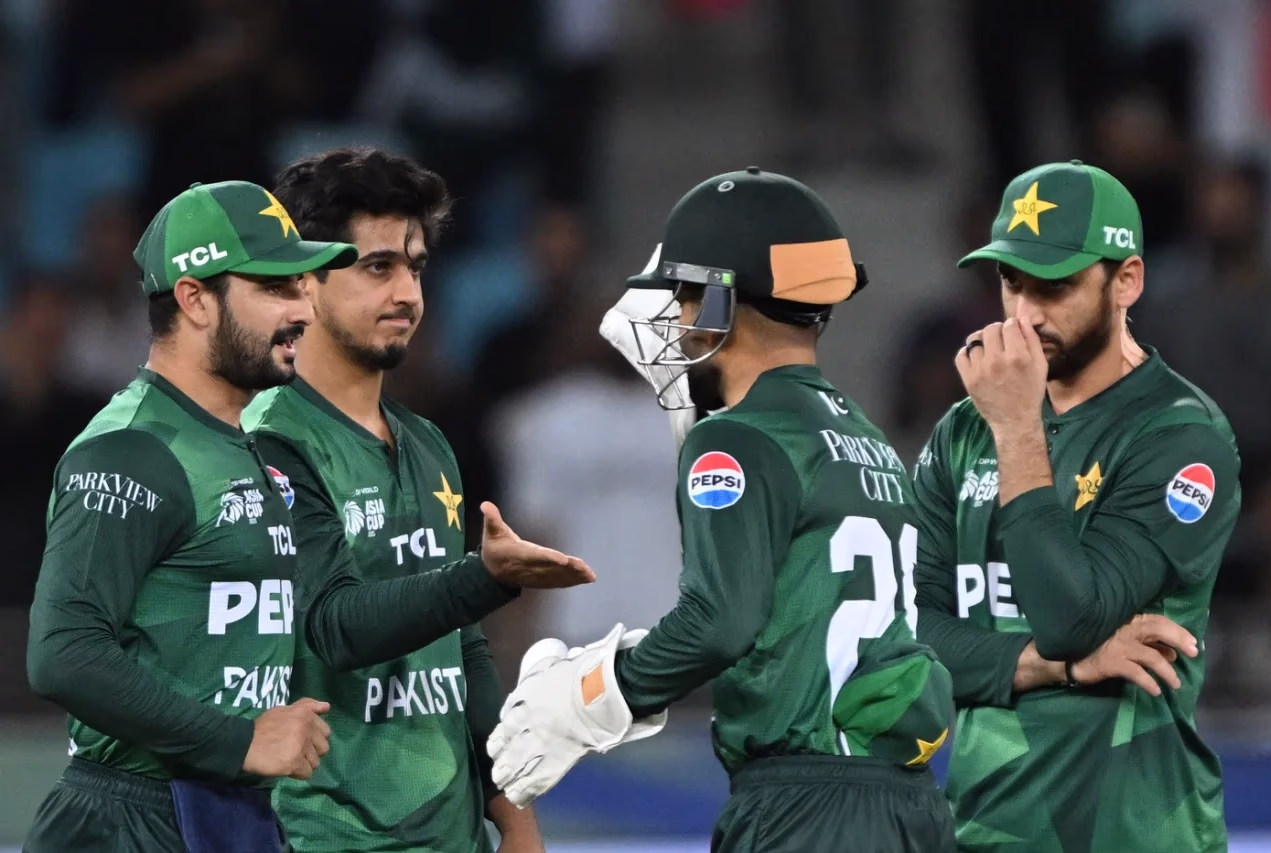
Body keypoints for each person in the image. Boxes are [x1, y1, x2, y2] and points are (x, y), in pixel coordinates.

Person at [486, 168, 958, 852]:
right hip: (906, 803)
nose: (674, 315)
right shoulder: (866, 436)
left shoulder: (737, 436)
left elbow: (718, 622)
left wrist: (588, 696)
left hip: (807, 806)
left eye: (684, 292)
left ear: (719, 298)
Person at [243, 146, 589, 853]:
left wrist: (515, 816)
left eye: (416, 267)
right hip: (325, 836)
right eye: (378, 267)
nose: (408, 293)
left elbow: (464, 649)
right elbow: (334, 626)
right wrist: (481, 578)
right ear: (304, 279)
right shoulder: (267, 441)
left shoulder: (428, 442)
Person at [913, 159, 1241, 852]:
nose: (1025, 314)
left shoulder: (1179, 435)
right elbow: (902, 638)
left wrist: (1016, 428)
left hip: (1138, 834)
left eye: (1055, 286)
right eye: (1012, 282)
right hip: (985, 830)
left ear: (1127, 280)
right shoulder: (962, 431)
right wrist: (1053, 666)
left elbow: (1070, 617)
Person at [24, 180, 360, 852]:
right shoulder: (133, 449)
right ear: (195, 298)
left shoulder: (238, 440)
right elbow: (63, 652)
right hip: (127, 822)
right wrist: (240, 741)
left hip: (226, 810)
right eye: (276, 287)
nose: (304, 309)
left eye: (302, 286)